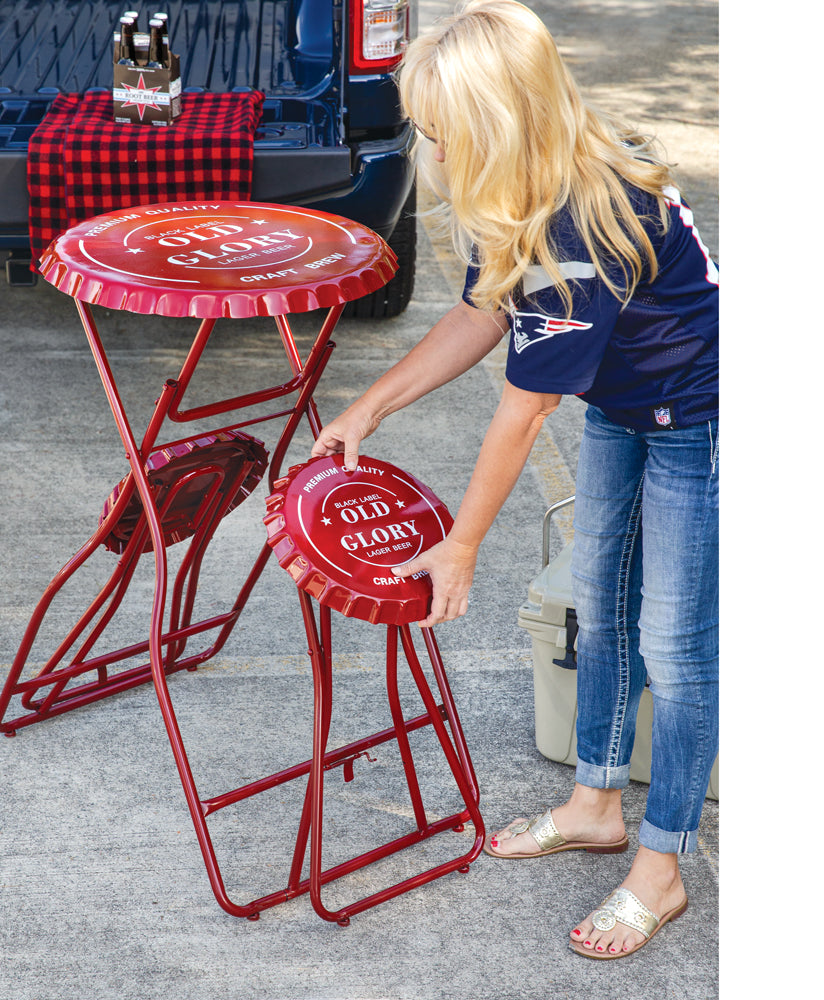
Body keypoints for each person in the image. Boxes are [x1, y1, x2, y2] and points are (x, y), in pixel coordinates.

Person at [310, 0, 718, 961]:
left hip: (704, 422)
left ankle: (661, 867)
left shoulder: (585, 221)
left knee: (676, 644)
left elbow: (524, 410)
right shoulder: (519, 185)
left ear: (492, 122)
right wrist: (372, 407)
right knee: (601, 611)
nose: (431, 147)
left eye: (440, 128)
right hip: (623, 407)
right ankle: (595, 805)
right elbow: (482, 314)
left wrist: (461, 546)